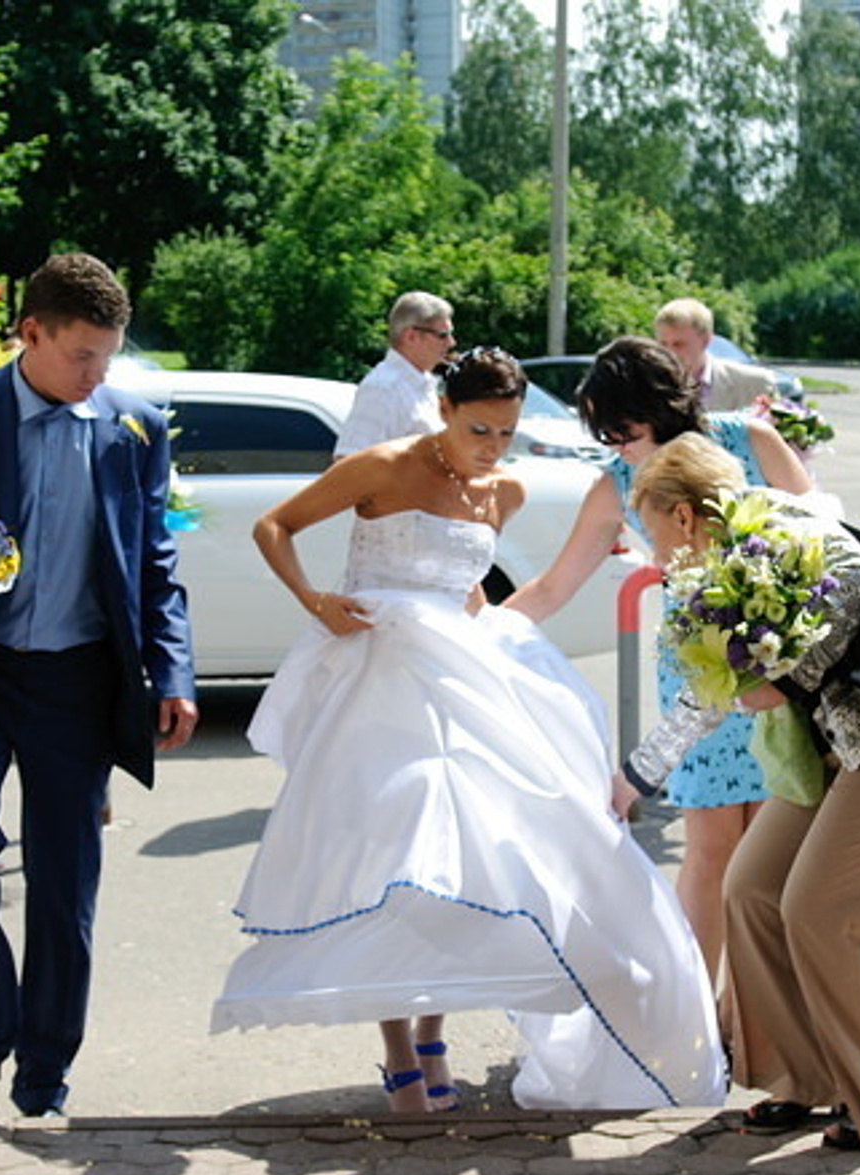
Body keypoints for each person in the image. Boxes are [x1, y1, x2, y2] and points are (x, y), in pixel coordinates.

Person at [212, 347, 725, 1114]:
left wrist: (501, 645)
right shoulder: (382, 466)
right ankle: (396, 1047)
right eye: (480, 428)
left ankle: (430, 1030)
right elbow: (272, 526)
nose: (492, 448)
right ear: (444, 409)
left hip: (459, 675)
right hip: (377, 673)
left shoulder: (504, 490)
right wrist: (317, 601)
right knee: (391, 848)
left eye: (508, 434)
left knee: (467, 860)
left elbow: (476, 599)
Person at [614, 432, 860, 1152]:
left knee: (822, 907)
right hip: (842, 744)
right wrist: (630, 781)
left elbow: (854, 580)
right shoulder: (716, 575)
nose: (651, 550)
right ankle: (803, 1077)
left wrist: (776, 673)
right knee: (750, 889)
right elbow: (708, 698)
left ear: (685, 516)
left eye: (652, 528)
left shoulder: (781, 530)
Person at [0, 252, 198, 1117]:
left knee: (66, 884)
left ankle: (44, 1072)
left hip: (77, 681)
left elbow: (156, 563)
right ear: (30, 333)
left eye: (108, 357)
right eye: (82, 356)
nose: (98, 374)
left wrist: (171, 671)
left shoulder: (135, 426)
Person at [504, 337, 810, 981]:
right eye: (605, 435)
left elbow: (821, 538)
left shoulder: (752, 440)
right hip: (701, 662)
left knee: (775, 857)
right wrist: (478, 635)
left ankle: (757, 1022)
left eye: (623, 430)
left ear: (660, 408)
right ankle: (696, 1008)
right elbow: (555, 586)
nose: (617, 447)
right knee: (710, 850)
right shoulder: (615, 483)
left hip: (787, 658)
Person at [331, 291, 456, 458]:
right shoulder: (383, 388)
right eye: (443, 335)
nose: (451, 343)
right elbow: (350, 461)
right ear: (411, 336)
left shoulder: (422, 385)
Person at [654, 298, 774, 412]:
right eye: (663, 344)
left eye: (678, 344)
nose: (669, 352)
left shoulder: (754, 384)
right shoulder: (648, 386)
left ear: (705, 341)